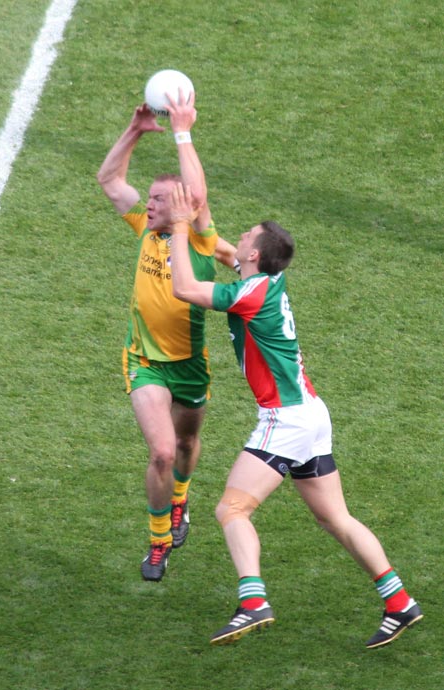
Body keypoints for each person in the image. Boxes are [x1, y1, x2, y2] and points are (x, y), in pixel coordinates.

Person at [167, 182, 423, 648]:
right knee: (336, 518)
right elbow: (222, 248)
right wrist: (189, 165)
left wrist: (180, 226)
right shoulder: (267, 280)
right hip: (311, 413)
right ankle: (399, 601)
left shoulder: (249, 294)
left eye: (248, 234)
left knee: (232, 508)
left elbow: (184, 286)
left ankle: (253, 602)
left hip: (284, 419)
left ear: (257, 255)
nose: (239, 237)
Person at [96, 92, 237, 582]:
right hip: (145, 363)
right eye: (150, 198)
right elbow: (110, 180)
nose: (147, 202)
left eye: (158, 199)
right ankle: (158, 540)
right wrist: (134, 130)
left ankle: (180, 500)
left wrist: (184, 132)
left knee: (187, 442)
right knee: (161, 450)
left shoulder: (197, 236)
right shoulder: (145, 228)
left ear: (179, 205)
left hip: (190, 364)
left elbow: (197, 196)